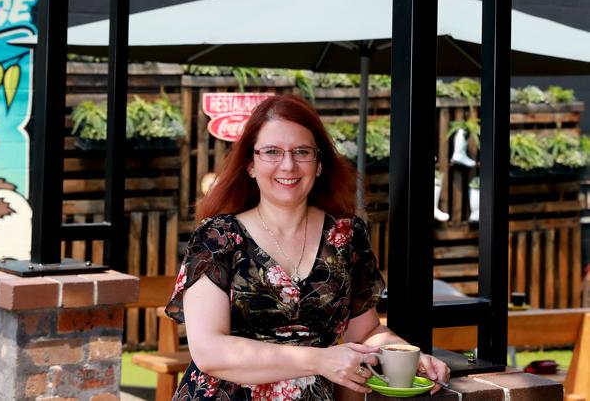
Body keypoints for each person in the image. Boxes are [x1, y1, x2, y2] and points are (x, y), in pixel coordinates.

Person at [166, 95, 450, 401]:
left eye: (302, 152)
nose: (288, 165)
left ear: (318, 164)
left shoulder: (345, 235)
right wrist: (319, 360)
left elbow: (365, 332)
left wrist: (407, 356)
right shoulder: (217, 237)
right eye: (272, 152)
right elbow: (210, 351)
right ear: (250, 163)